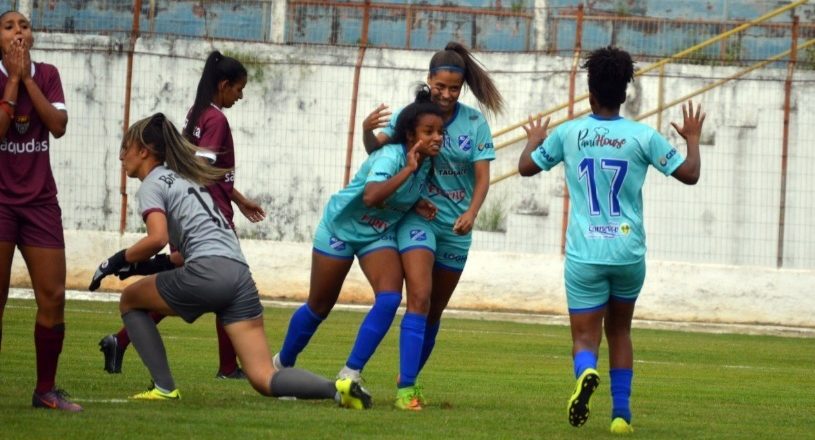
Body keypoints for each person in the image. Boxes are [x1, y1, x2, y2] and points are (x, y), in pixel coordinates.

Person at [89, 113, 371, 408]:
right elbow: (182, 253)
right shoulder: (188, 181)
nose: (121, 156)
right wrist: (141, 266)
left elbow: (156, 238)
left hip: (208, 273)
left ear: (143, 151)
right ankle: (338, 390)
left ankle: (164, 387)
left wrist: (115, 260)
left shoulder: (152, 184)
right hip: (239, 275)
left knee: (130, 301)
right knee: (264, 377)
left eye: (125, 147)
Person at [517, 46, 705, 434]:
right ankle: (621, 416)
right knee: (620, 331)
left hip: (585, 254)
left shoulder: (569, 133)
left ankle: (586, 372)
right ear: (625, 93)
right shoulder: (643, 137)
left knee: (585, 336)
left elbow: (525, 168)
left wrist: (534, 139)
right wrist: (693, 140)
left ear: (590, 92)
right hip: (627, 252)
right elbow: (689, 174)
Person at [98, 51, 265, 379]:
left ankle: (122, 340)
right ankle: (227, 367)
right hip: (210, 212)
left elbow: (193, 167)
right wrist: (223, 204)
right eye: (238, 89)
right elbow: (202, 166)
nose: (240, 96)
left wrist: (241, 198)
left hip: (197, 208)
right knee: (230, 284)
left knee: (194, 285)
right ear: (224, 85)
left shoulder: (196, 114)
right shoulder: (216, 119)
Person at [361, 41, 504, 410]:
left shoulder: (474, 123)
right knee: (419, 298)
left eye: (453, 89)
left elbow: (483, 177)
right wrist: (364, 131)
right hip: (417, 221)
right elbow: (381, 151)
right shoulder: (412, 115)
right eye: (439, 86)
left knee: (434, 312)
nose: (445, 94)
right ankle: (406, 390)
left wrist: (472, 212)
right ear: (429, 80)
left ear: (462, 88)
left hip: (455, 228)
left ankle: (407, 377)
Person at [273, 87, 444, 386]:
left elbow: (394, 194)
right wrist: (406, 172)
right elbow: (370, 196)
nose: (437, 137)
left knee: (390, 298)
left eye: (440, 131)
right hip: (340, 229)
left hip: (375, 235)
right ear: (409, 135)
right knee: (319, 306)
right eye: (428, 131)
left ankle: (350, 372)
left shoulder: (425, 163)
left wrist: (415, 200)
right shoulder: (391, 157)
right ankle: (281, 365)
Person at [0, 10, 82, 412]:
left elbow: (58, 124)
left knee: (53, 296)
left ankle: (45, 390)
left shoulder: (47, 74)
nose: (19, 31)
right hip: (0, 204)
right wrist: (12, 79)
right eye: (9, 26)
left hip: (40, 203)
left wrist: (27, 77)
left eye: (25, 26)